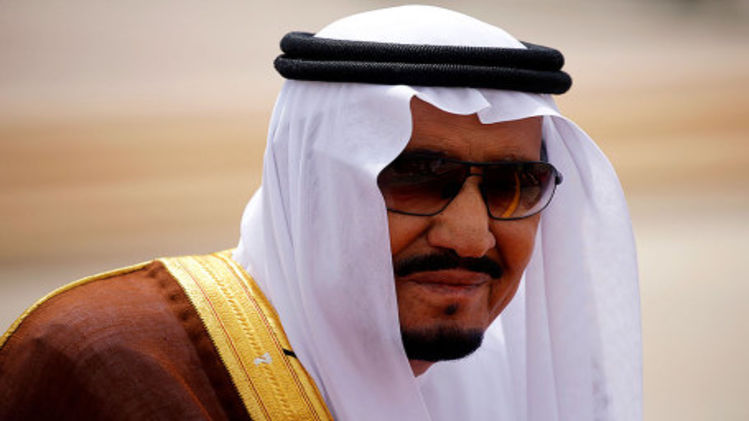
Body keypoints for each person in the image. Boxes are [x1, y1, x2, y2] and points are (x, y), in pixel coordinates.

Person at [0, 5, 641, 421]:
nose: (471, 237)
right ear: (315, 189)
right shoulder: (112, 363)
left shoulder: (505, 385)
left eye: (514, 185)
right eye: (418, 177)